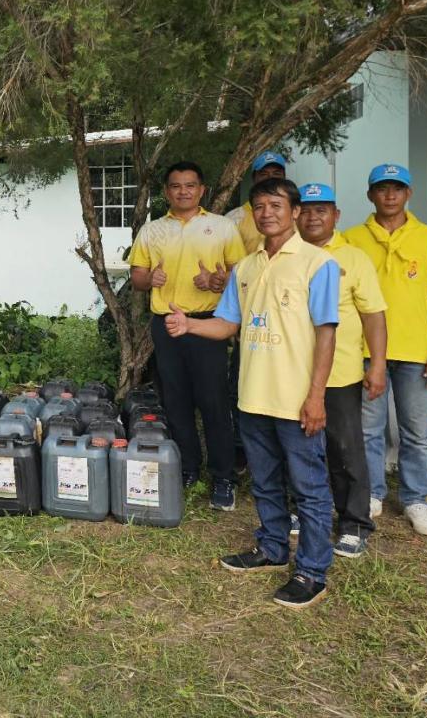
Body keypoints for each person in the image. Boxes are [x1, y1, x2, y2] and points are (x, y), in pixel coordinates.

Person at [166, 177, 340, 610]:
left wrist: (316, 396)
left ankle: (312, 571)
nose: (267, 213)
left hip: (296, 399)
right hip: (252, 398)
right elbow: (227, 324)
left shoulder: (318, 264)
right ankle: (272, 548)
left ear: (295, 211)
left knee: (309, 487)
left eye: (276, 205)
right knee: (264, 483)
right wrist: (189, 325)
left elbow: (326, 335)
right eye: (259, 206)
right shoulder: (246, 267)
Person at [345, 163, 427, 537]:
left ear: (408, 194)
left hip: (415, 351)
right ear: (370, 195)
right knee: (368, 429)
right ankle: (373, 493)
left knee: (416, 430)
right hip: (365, 350)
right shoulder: (350, 238)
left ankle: (415, 499)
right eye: (382, 188)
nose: (390, 195)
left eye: (397, 188)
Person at [128, 161, 245, 510]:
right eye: (176, 186)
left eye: (190, 185)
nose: (183, 191)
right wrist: (152, 280)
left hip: (208, 323)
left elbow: (240, 275)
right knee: (175, 402)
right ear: (167, 192)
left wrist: (217, 282)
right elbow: (136, 277)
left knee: (214, 402)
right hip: (166, 326)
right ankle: (187, 468)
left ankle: (223, 477)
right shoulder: (152, 231)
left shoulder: (221, 227)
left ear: (202, 190)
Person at [298, 182, 388, 558]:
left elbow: (374, 316)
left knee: (345, 448)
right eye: (306, 209)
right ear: (295, 214)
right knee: (300, 449)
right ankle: (301, 510)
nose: (313, 216)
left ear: (336, 216)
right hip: (290, 373)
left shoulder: (353, 258)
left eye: (322, 209)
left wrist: (378, 365)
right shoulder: (285, 255)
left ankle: (353, 522)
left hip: (340, 374)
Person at [225, 151, 287, 254]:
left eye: (276, 174)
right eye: (264, 174)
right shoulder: (234, 218)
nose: (270, 178)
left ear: (284, 177)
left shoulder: (295, 214)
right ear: (254, 179)